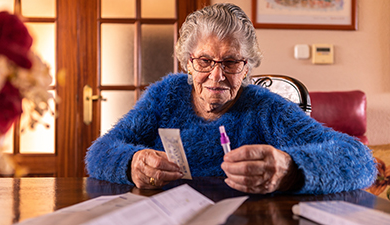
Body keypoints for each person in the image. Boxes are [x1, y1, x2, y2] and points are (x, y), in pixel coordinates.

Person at [85, 3, 376, 194]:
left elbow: (361, 160)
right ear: (188, 63)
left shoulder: (266, 108)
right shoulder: (166, 95)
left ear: (247, 67)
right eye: (204, 61)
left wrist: (290, 169)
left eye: (231, 62)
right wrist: (132, 162)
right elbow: (100, 152)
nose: (216, 76)